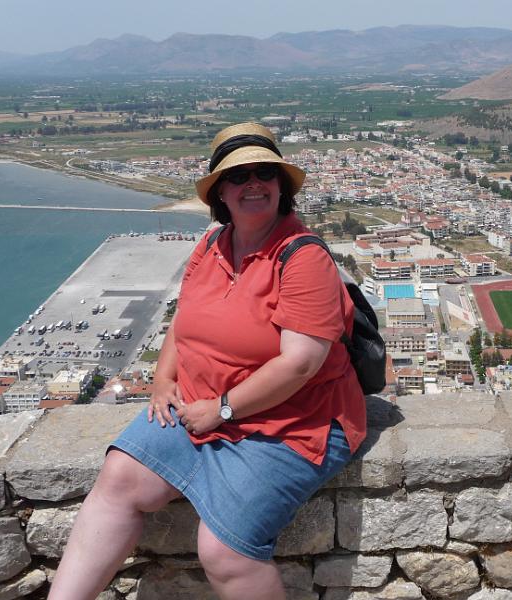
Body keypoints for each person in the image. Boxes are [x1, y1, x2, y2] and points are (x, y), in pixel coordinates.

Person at [49, 123, 367, 600]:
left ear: (282, 186)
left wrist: (223, 408)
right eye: (239, 176)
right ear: (221, 192)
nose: (253, 183)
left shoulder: (302, 257)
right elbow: (185, 317)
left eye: (265, 172)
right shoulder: (213, 244)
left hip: (292, 421)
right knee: (119, 478)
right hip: (202, 406)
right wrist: (162, 376)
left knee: (225, 552)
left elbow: (300, 363)